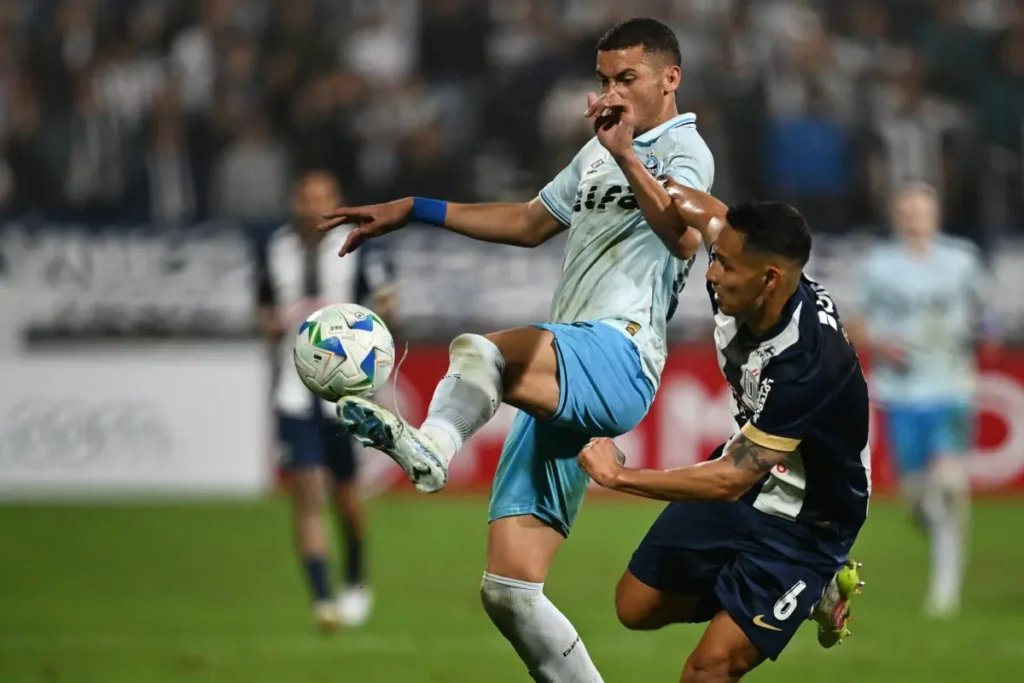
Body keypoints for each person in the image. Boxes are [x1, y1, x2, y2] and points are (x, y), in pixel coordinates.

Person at [319, 17, 713, 682]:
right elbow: (530, 221)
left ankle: (434, 447)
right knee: (510, 591)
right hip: (571, 363)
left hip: (621, 354)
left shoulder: (686, 150)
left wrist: (625, 155)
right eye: (604, 80)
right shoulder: (596, 152)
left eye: (627, 79)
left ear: (670, 78)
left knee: (482, 352)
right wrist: (415, 207)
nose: (611, 93)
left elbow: (684, 238)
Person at [578, 180, 866, 682]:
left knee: (708, 671)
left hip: (804, 524)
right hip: (752, 478)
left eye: (725, 266)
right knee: (635, 606)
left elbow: (730, 478)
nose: (711, 275)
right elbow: (706, 212)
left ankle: (801, 584)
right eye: (716, 259)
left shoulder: (809, 362)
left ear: (770, 279)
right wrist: (633, 165)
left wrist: (619, 478)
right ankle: (791, 597)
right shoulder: (750, 275)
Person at [257, 170, 397, 630]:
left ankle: (355, 580)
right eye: (308, 196)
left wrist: (364, 326)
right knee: (306, 490)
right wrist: (275, 323)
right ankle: (322, 598)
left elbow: (387, 304)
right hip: (293, 390)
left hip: (345, 393)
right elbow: (262, 310)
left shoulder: (362, 248)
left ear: (337, 201)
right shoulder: (274, 249)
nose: (315, 205)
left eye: (324, 196)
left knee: (348, 497)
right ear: (295, 201)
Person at [848, 183, 994, 618]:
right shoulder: (879, 265)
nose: (916, 219)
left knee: (949, 483)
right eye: (908, 212)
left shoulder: (961, 259)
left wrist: (979, 333)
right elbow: (855, 322)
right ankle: (943, 537)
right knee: (914, 496)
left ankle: (945, 585)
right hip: (901, 393)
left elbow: (984, 309)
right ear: (897, 217)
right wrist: (881, 343)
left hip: (951, 388)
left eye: (923, 211)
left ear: (936, 215)